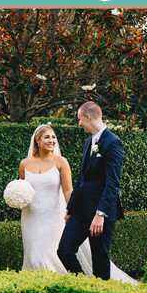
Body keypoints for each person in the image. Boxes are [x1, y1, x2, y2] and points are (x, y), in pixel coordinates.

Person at [18, 122, 135, 283]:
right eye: (47, 137)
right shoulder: (24, 164)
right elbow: (22, 187)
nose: (52, 140)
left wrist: (72, 210)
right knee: (33, 253)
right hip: (30, 216)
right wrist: (16, 198)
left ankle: (58, 283)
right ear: (37, 141)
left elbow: (68, 190)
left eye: (53, 137)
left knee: (49, 253)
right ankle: (35, 285)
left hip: (52, 215)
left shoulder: (61, 162)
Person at [57, 102, 125, 281]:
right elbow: (82, 179)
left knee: (99, 258)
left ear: (88, 117)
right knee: (64, 250)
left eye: (80, 119)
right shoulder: (89, 142)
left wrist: (100, 214)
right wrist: (70, 209)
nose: (79, 123)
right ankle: (85, 284)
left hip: (101, 213)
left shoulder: (113, 143)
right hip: (80, 211)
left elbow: (112, 183)